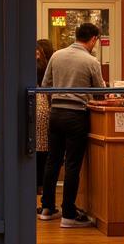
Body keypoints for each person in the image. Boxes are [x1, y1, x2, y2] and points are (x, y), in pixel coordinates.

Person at [38, 22, 105, 228]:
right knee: (73, 164)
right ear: (93, 39)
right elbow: (100, 93)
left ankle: (48, 207)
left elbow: (45, 85)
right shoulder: (91, 61)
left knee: (53, 160)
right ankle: (68, 213)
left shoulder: (57, 55)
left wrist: (56, 102)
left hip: (56, 114)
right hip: (77, 115)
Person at [34, 39, 54, 191]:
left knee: (37, 147)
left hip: (37, 103)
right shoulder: (45, 66)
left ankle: (37, 184)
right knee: (42, 146)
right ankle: (40, 184)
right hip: (42, 103)